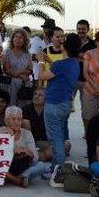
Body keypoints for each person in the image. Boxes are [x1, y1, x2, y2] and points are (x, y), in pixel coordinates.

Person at [40, 33, 81, 171]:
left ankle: (58, 169)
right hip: (66, 103)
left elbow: (42, 76)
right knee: (61, 136)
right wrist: (50, 61)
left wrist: (41, 61)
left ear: (65, 46)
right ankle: (58, 167)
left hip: (54, 104)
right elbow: (59, 72)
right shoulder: (75, 64)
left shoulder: (59, 65)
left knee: (55, 138)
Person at [0, 106, 51, 187]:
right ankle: (17, 180)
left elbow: (35, 157)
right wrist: (11, 148)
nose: (16, 122)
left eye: (19, 119)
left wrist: (28, 152)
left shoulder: (27, 133)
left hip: (22, 167)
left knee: (41, 166)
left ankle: (14, 178)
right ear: (6, 121)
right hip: (4, 166)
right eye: (13, 119)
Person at [2, 28, 33, 106]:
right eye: (16, 37)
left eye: (20, 37)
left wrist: (21, 74)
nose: (17, 39)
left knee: (23, 107)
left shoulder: (27, 54)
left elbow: (30, 70)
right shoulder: (7, 52)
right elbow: (7, 70)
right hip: (10, 85)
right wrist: (21, 75)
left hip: (24, 85)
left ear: (24, 40)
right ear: (12, 39)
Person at [75, 19, 96, 129]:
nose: (81, 31)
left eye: (83, 29)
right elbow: (68, 55)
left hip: (86, 80)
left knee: (87, 108)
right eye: (79, 29)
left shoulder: (93, 44)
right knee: (66, 107)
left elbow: (93, 59)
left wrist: (76, 55)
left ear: (88, 30)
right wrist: (85, 57)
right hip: (72, 79)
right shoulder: (72, 41)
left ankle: (87, 132)